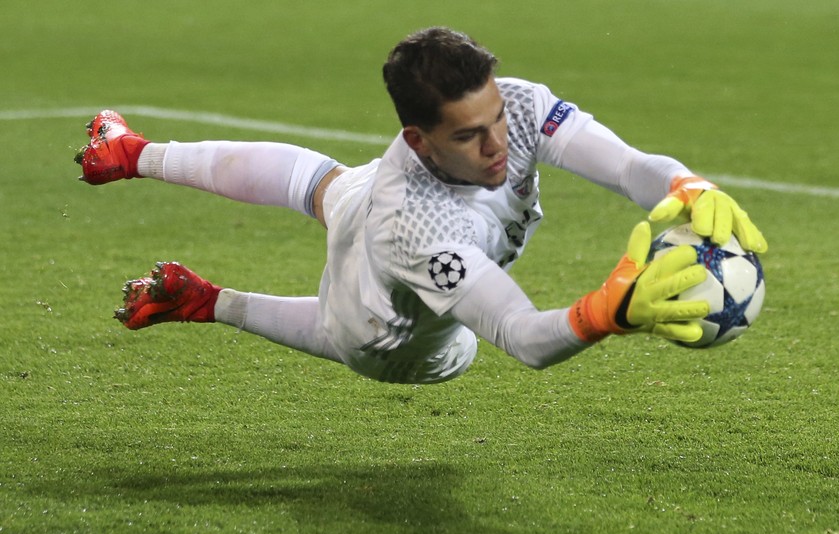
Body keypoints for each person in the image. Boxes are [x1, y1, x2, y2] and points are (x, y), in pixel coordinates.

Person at [75, 27, 767, 385]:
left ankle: (131, 154)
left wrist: (685, 186)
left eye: (494, 116)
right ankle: (207, 301)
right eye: (469, 135)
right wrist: (603, 314)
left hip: (373, 196)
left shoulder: (514, 106)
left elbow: (626, 165)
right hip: (392, 336)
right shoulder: (426, 230)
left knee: (323, 184)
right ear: (419, 138)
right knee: (442, 347)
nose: (498, 144)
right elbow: (522, 336)